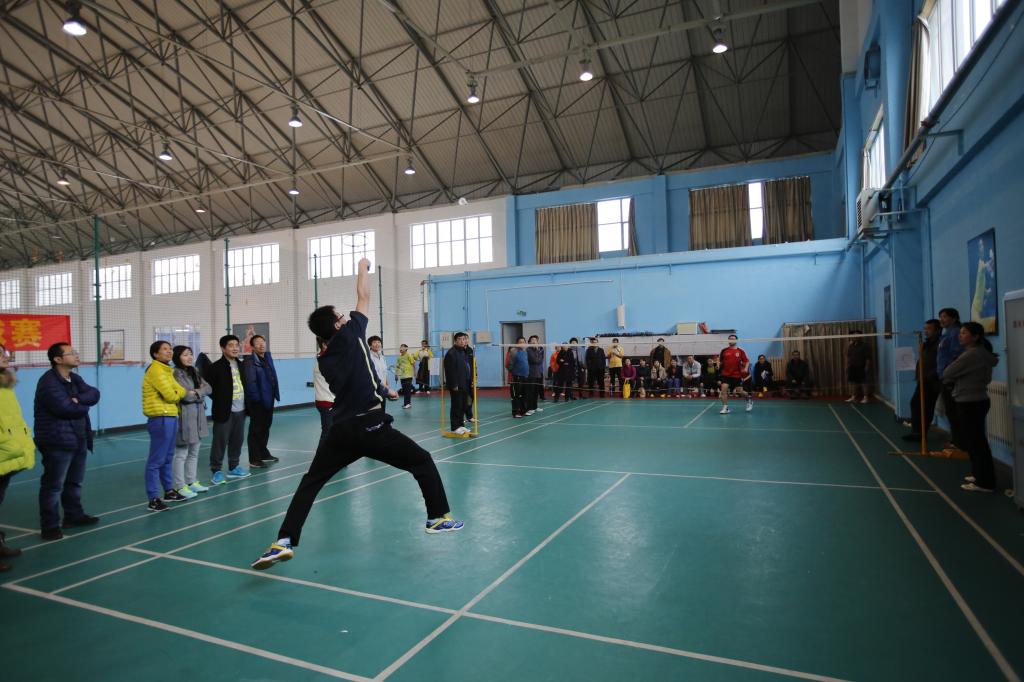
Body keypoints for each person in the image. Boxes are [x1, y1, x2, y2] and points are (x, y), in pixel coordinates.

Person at [251, 258, 461, 570]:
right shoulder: (351, 334)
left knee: (311, 481)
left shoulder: (324, 360)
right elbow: (363, 295)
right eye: (340, 316)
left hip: (341, 430)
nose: (345, 317)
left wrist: (383, 389)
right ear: (338, 325)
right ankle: (436, 517)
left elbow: (358, 376)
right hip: (370, 426)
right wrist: (363, 266)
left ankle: (283, 540)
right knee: (422, 461)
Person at [34, 342, 100, 540]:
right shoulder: (48, 382)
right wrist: (83, 405)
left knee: (74, 482)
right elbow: (65, 408)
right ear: (58, 359)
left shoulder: (74, 378)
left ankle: (73, 516)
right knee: (53, 486)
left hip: (78, 437)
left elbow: (94, 394)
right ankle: (50, 526)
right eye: (71, 353)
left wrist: (77, 399)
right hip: (56, 441)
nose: (76, 355)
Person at [942, 322, 999, 493]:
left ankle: (985, 482)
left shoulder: (972, 355)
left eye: (964, 333)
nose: (960, 336)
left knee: (976, 442)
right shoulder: (979, 353)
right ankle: (978, 474)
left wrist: (954, 373)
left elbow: (948, 372)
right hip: (975, 399)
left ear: (975, 337)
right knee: (974, 441)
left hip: (970, 402)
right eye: (960, 332)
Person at [142, 340, 188, 511]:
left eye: (170, 349)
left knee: (168, 458)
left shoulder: (167, 370)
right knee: (156, 460)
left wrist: (178, 392)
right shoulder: (155, 370)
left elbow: (180, 389)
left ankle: (169, 491)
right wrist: (178, 393)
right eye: (165, 349)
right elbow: (171, 395)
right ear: (155, 354)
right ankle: (153, 498)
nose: (169, 352)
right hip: (160, 417)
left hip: (170, 415)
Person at [0, 344, 34, 570]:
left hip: (8, 453)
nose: (6, 356)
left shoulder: (6, 384)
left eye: (4, 352)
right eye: (0, 354)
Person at [206, 335, 250, 485]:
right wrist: (221, 401)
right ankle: (216, 470)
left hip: (241, 410)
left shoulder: (241, 365)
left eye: (237, 345)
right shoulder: (215, 367)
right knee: (220, 442)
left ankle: (234, 467)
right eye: (231, 345)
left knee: (237, 440)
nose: (235, 348)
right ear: (223, 348)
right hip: (224, 411)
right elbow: (209, 389)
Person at [171, 345, 212, 500]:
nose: (189, 357)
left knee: (194, 452)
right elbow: (185, 396)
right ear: (177, 357)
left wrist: (196, 392)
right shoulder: (175, 373)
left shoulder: (194, 371)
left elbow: (209, 388)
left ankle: (191, 481)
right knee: (181, 454)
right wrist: (197, 392)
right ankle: (180, 485)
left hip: (198, 415)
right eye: (185, 355)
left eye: (190, 354)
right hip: (184, 416)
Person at [244, 334, 280, 467]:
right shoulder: (249, 361)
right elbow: (250, 382)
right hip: (258, 402)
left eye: (263, 342)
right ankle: (254, 459)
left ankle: (263, 453)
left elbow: (272, 377)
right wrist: (257, 400)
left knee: (265, 428)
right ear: (252, 347)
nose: (261, 345)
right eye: (257, 343)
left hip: (269, 399)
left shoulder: (267, 357)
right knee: (256, 430)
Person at [903, 320, 942, 442]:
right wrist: (918, 374)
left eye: (929, 329)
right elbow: (922, 360)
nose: (925, 331)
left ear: (937, 330)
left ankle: (921, 433)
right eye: (925, 329)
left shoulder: (940, 344)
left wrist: (930, 376)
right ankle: (917, 432)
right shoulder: (927, 343)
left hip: (932, 381)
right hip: (923, 379)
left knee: (926, 407)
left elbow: (941, 364)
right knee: (916, 404)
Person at [937, 307, 965, 452]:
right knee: (950, 412)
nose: (941, 320)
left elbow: (956, 357)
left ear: (954, 318)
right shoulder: (946, 333)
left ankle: (960, 443)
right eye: (940, 317)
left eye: (944, 316)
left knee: (954, 412)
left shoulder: (955, 333)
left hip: (951, 379)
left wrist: (949, 375)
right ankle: (956, 441)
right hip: (944, 377)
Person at [444, 333, 472, 435]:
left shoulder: (463, 352)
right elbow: (450, 371)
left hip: (465, 383)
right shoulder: (451, 353)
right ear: (455, 341)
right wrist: (454, 384)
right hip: (456, 385)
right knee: (457, 405)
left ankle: (461, 425)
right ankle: (455, 427)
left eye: (464, 339)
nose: (462, 341)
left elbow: (467, 367)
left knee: (463, 405)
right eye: (460, 339)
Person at [718, 334, 752, 414]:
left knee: (740, 391)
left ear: (736, 340)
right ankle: (725, 408)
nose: (731, 340)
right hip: (725, 374)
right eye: (730, 339)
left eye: (733, 339)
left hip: (736, 375)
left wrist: (746, 368)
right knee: (723, 391)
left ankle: (749, 399)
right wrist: (719, 366)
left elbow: (747, 361)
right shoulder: (724, 351)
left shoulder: (740, 351)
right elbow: (720, 361)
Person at [312, 337, 335, 451]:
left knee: (335, 431)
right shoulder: (323, 361)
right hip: (326, 402)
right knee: (327, 432)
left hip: (331, 401)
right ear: (323, 345)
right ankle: (320, 459)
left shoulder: (327, 359)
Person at [845, 332, 872, 404]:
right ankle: (853, 397)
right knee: (853, 382)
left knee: (863, 382)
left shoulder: (864, 345)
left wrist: (867, 367)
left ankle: (866, 398)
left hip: (861, 366)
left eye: (856, 335)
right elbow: (848, 356)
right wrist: (847, 366)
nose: (854, 337)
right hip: (852, 366)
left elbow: (868, 358)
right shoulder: (851, 345)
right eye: (853, 336)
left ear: (860, 336)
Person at [368, 336, 393, 404]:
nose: (377, 344)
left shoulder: (382, 357)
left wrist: (388, 386)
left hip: (383, 389)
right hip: (374, 389)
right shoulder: (368, 357)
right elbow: (372, 375)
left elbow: (385, 372)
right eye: (374, 342)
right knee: (376, 408)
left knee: (383, 407)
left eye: (379, 342)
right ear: (370, 345)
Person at [508, 337, 529, 418]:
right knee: (516, 395)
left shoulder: (525, 352)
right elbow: (510, 364)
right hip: (517, 376)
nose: (522, 343)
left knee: (524, 394)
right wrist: (514, 373)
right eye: (520, 342)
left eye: (523, 342)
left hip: (525, 376)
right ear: (517, 343)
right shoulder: (514, 351)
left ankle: (523, 411)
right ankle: (515, 412)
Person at [526, 336, 545, 412]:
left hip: (538, 373)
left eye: (535, 340)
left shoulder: (538, 350)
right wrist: (538, 357)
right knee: (530, 391)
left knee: (536, 391)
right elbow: (535, 360)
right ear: (529, 342)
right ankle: (530, 408)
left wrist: (538, 355)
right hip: (531, 374)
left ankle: (535, 407)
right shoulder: (528, 350)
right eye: (532, 340)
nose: (534, 341)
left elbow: (540, 360)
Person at [395, 344, 416, 409]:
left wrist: (415, 372)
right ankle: (405, 403)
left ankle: (408, 403)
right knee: (404, 390)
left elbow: (413, 364)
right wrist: (396, 375)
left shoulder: (409, 355)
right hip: (402, 376)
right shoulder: (399, 357)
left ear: (406, 349)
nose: (400, 349)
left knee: (407, 390)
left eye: (402, 347)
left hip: (408, 376)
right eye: (400, 347)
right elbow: (397, 367)